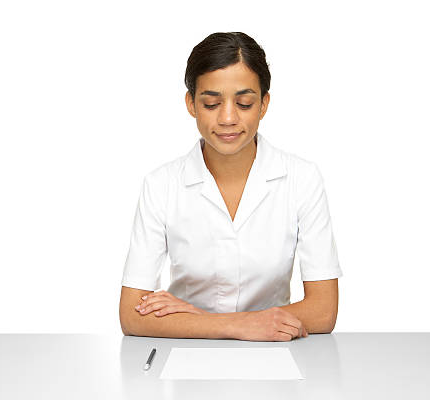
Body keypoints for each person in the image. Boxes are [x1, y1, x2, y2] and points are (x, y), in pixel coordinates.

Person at [119, 32, 343, 342]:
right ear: (191, 104)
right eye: (211, 103)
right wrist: (235, 326)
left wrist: (201, 319)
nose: (227, 118)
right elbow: (131, 316)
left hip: (276, 349)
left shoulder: (301, 179)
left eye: (244, 102)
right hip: (188, 352)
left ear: (264, 103)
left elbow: (323, 312)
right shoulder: (161, 185)